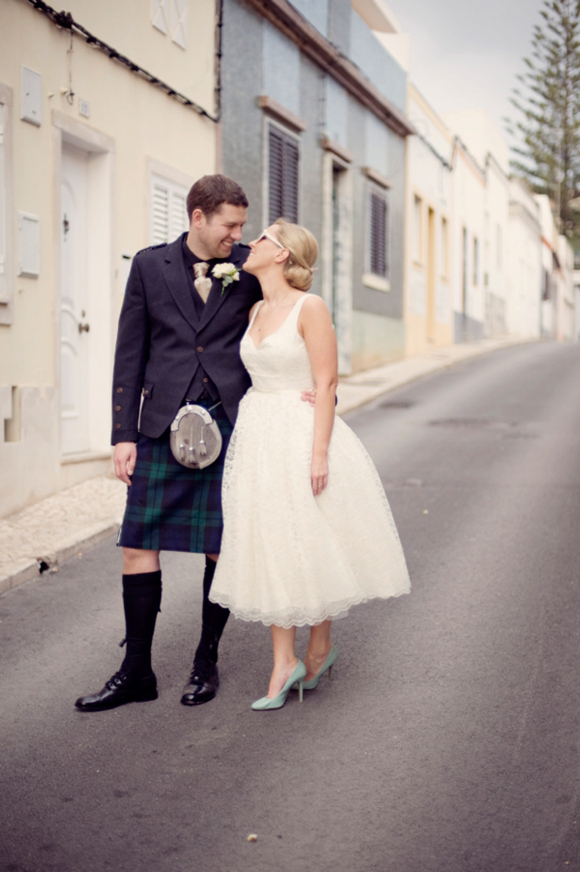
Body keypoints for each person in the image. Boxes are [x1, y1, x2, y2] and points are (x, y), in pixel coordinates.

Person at [75, 174, 264, 712]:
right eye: (229, 224)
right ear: (198, 218)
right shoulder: (148, 265)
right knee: (137, 544)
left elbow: (289, 316)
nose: (237, 234)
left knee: (217, 545)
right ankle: (137, 671)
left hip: (228, 421)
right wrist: (122, 435)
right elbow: (128, 353)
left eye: (242, 225)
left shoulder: (250, 265)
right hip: (160, 425)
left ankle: (206, 659)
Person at [210, 219, 411, 710]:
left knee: (314, 535)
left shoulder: (310, 307)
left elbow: (325, 382)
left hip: (302, 434)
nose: (250, 242)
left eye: (262, 238)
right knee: (276, 539)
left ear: (281, 255)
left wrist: (318, 452)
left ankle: (318, 646)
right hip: (258, 436)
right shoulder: (255, 308)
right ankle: (285, 661)